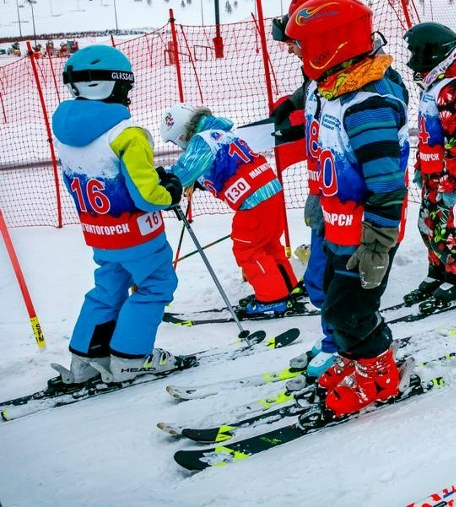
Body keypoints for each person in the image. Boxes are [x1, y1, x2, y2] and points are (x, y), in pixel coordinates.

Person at [285, 0, 410, 418]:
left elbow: (387, 184)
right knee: (337, 304)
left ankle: (379, 376)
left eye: (302, 45)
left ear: (327, 46)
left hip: (367, 233)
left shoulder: (365, 104)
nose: (297, 53)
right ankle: (357, 360)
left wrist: (377, 244)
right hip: (337, 224)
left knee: (350, 311)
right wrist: (322, 200)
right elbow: (327, 151)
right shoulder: (329, 89)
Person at [51, 45, 184, 384]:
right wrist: (169, 190)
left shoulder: (66, 136)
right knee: (156, 284)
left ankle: (85, 358)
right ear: (113, 85)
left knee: (108, 286)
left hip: (99, 233)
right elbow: (146, 194)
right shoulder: (127, 134)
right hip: (137, 233)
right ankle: (130, 358)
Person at [270, 0, 361, 378]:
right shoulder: (321, 77)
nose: (292, 48)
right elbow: (313, 101)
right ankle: (334, 339)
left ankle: (343, 346)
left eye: (298, 39)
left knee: (334, 282)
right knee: (322, 279)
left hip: (346, 204)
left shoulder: (359, 84)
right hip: (323, 195)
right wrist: (290, 115)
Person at [159, 103, 299, 317]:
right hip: (270, 190)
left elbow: (181, 172)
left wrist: (159, 182)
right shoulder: (220, 132)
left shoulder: (201, 141)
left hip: (252, 201)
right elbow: (225, 166)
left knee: (247, 249)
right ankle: (286, 286)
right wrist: (198, 184)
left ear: (180, 134)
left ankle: (273, 298)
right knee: (268, 244)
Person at [400, 22, 456, 308]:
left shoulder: (455, 86)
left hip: (449, 171)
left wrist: (452, 181)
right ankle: (440, 269)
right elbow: (429, 133)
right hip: (433, 168)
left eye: (416, 52)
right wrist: (423, 166)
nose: (412, 60)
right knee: (427, 223)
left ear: (433, 53)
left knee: (438, 224)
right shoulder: (435, 82)